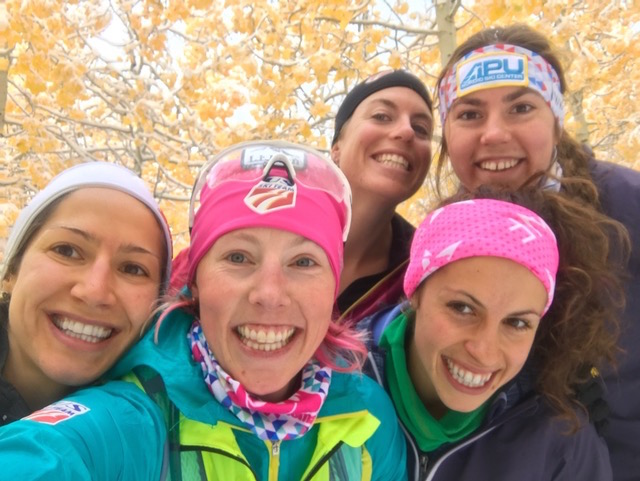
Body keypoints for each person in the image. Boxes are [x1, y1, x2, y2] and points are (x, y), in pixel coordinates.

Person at [0, 141, 407, 480]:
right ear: (195, 282)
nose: (269, 294)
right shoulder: (139, 416)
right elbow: (47, 453)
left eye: (303, 262)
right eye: (238, 257)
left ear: (332, 287)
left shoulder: (368, 418)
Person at [434, 24, 640, 481]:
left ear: (556, 119)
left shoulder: (627, 209)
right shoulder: (444, 240)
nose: (493, 134)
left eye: (521, 108)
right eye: (469, 115)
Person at [361, 187, 627, 480]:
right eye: (462, 308)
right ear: (416, 293)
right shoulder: (327, 385)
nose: (484, 350)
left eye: (516, 323)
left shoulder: (561, 445)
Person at [0, 161, 172, 426]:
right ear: (12, 269)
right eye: (67, 251)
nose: (95, 291)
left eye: (132, 269)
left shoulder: (155, 439)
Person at [329, 69, 434, 325]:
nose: (406, 132)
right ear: (336, 148)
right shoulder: (272, 224)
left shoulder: (425, 270)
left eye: (421, 129)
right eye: (381, 116)